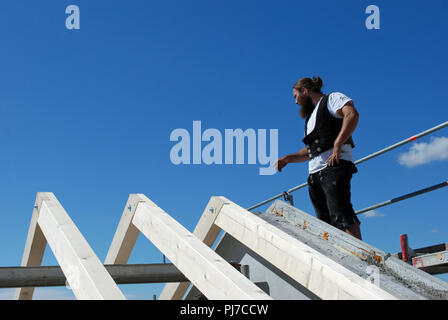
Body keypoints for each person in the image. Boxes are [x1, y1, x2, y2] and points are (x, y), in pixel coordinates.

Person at [275, 76, 362, 240]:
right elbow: (312, 151)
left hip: (334, 167)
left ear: (305, 91)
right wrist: (287, 158)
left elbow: (351, 114)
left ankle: (362, 260)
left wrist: (338, 142)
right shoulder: (310, 119)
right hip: (315, 175)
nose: (295, 102)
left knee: (342, 215)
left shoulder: (332, 99)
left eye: (295, 96)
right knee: (325, 224)